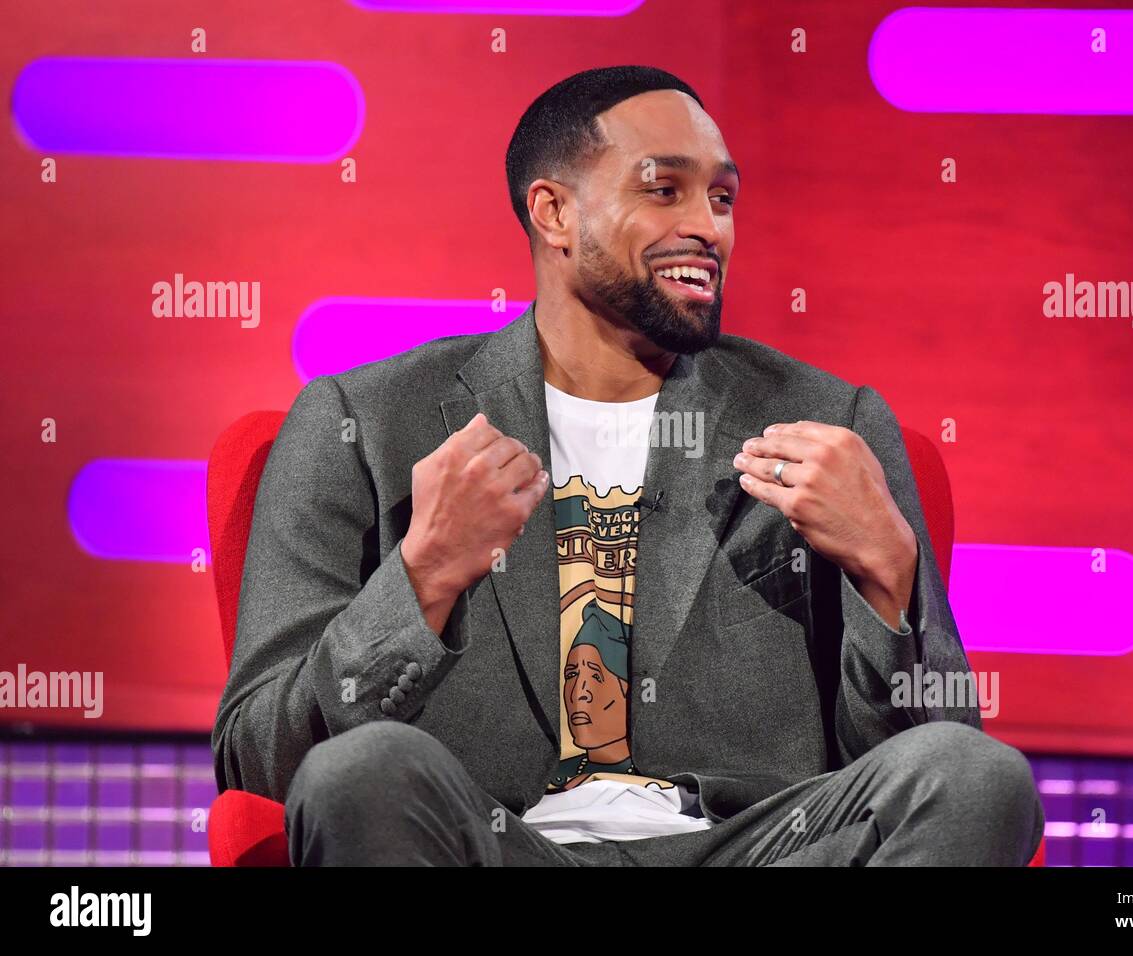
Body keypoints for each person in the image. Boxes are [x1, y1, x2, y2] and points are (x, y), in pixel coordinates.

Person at [211, 64, 1044, 866]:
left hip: (758, 847)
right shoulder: (368, 422)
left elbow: (934, 749)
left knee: (975, 777)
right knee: (362, 772)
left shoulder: (828, 422)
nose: (708, 226)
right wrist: (421, 579)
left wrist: (888, 579)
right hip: (494, 841)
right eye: (664, 188)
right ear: (553, 212)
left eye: (723, 198)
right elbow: (261, 762)